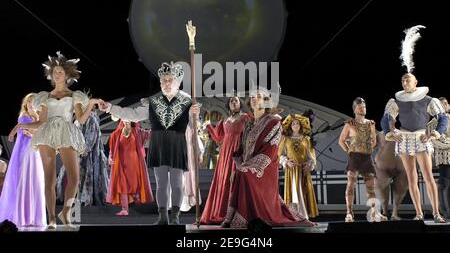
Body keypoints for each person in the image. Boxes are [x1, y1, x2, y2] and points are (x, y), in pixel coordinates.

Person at [98, 62, 200, 224]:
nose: (167, 83)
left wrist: (195, 115)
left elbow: (194, 127)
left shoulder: (187, 102)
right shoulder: (153, 102)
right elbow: (131, 114)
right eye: (164, 80)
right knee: (161, 183)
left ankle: (175, 217)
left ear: (178, 83)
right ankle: (163, 217)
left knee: (176, 183)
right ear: (160, 83)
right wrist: (110, 107)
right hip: (158, 145)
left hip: (177, 144)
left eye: (170, 80)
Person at [8, 52, 99, 229]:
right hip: (47, 133)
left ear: (67, 75)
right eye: (55, 72)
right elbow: (41, 122)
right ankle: (51, 218)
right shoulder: (44, 96)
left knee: (74, 178)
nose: (57, 74)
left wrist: (91, 104)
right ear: (51, 75)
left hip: (66, 132)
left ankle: (65, 212)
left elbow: (80, 120)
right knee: (49, 179)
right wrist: (20, 127)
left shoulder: (75, 95)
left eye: (60, 72)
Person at [381, 26, 448, 222]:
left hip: (421, 137)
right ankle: (419, 213)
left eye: (408, 80)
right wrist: (390, 132)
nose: (405, 82)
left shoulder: (428, 100)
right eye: (403, 80)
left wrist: (434, 133)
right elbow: (386, 118)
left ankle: (436, 213)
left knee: (427, 176)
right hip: (404, 138)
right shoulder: (396, 100)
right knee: (411, 178)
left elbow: (442, 117)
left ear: (416, 81)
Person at [221, 87, 314, 228]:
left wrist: (248, 167)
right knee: (238, 174)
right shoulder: (248, 124)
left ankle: (249, 218)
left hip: (266, 167)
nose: (254, 99)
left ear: (266, 101)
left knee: (245, 174)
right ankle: (232, 218)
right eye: (252, 97)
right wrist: (237, 167)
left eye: (258, 96)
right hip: (246, 165)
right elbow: (240, 149)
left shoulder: (274, 122)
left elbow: (271, 149)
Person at [200, 96, 251, 224]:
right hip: (225, 154)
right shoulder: (225, 120)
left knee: (234, 179)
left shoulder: (246, 117)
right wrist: (209, 127)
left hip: (238, 151)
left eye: (236, 100)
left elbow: (250, 134)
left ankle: (235, 214)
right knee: (224, 180)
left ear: (240, 104)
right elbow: (218, 137)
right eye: (232, 101)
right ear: (228, 104)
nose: (234, 102)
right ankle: (222, 212)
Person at [0, 93, 46, 227]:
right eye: (29, 101)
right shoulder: (24, 117)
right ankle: (22, 216)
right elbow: (27, 133)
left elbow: (38, 134)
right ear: (25, 104)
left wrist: (35, 133)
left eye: (34, 101)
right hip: (25, 153)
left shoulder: (38, 118)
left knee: (35, 182)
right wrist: (34, 133)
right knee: (24, 182)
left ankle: (33, 216)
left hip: (35, 153)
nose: (31, 104)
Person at [339, 97, 387, 222]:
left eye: (364, 107)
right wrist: (349, 151)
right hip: (354, 158)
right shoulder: (350, 124)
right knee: (350, 185)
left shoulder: (370, 123)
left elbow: (374, 140)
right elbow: (341, 141)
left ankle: (375, 213)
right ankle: (349, 213)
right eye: (360, 107)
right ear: (355, 109)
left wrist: (368, 148)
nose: (362, 109)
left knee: (371, 188)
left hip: (366, 158)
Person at [56, 108, 110, 206]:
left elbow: (91, 138)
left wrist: (81, 151)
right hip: (76, 154)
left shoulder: (91, 118)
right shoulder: (77, 120)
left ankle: (83, 200)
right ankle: (71, 200)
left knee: (83, 178)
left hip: (86, 156)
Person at [106, 120, 153, 215]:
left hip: (135, 163)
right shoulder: (117, 133)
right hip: (121, 164)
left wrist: (156, 124)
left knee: (135, 184)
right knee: (122, 186)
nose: (126, 121)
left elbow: (149, 135)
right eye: (124, 119)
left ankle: (135, 198)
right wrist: (110, 157)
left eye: (128, 119)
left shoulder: (137, 131)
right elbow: (113, 146)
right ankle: (124, 209)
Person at [279, 114, 318, 219]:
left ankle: (303, 215)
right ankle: (293, 215)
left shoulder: (306, 139)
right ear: (290, 126)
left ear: (301, 125)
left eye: (297, 123)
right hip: (291, 170)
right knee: (293, 192)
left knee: (303, 192)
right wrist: (286, 162)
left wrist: (309, 164)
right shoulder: (286, 139)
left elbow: (312, 156)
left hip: (303, 170)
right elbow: (280, 155)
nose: (295, 125)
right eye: (293, 124)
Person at [429, 97, 450, 218]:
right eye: (440, 104)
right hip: (444, 160)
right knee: (444, 186)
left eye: (445, 104)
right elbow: (437, 141)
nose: (443, 106)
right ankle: (446, 213)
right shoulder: (432, 124)